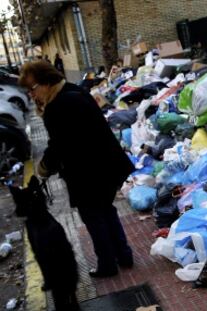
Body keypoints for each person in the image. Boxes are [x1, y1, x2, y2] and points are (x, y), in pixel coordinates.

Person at [19, 61, 134, 278]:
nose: (31, 95)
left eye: (32, 89)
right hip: (107, 165)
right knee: (106, 210)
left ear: (46, 82)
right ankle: (124, 255)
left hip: (87, 172)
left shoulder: (58, 106)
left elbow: (58, 146)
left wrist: (43, 168)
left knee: (93, 216)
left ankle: (107, 264)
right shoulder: (74, 90)